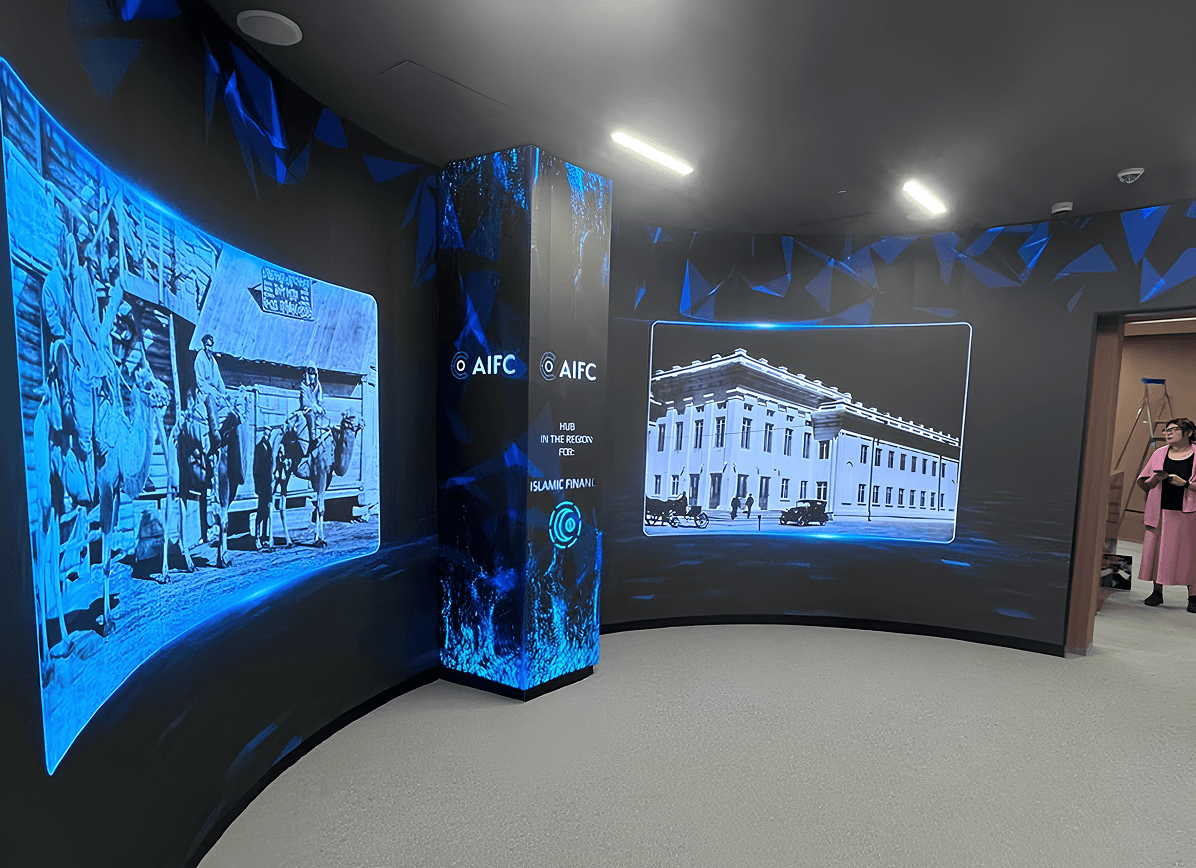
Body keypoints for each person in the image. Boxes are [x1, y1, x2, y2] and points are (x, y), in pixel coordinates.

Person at [1136, 417, 1196, 611]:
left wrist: (1185, 484)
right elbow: (1144, 482)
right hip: (1160, 510)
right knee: (1158, 552)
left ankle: (1193, 596)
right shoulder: (1159, 453)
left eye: (1174, 429)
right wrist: (1155, 479)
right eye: (1166, 430)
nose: (1168, 433)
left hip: (1188, 511)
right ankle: (1157, 592)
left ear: (1188, 433)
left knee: (1189, 555)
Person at [194, 333, 228, 453]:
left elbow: (219, 380)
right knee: (211, 401)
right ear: (204, 345)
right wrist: (214, 392)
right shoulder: (200, 357)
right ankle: (215, 433)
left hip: (214, 392)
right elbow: (200, 382)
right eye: (207, 346)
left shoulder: (213, 360)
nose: (209, 348)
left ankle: (226, 432)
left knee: (228, 406)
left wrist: (224, 394)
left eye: (211, 346)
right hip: (204, 393)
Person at [299, 364, 324, 455]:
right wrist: (315, 406)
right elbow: (305, 402)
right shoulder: (303, 386)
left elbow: (320, 399)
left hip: (316, 409)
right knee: (311, 416)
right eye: (310, 374)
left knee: (324, 420)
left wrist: (319, 406)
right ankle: (313, 440)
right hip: (306, 410)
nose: (312, 377)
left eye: (313, 374)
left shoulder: (318, 386)